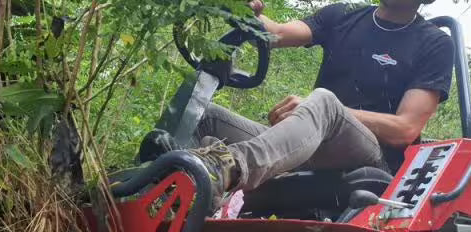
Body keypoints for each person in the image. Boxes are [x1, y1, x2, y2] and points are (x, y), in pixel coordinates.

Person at [191, 0, 455, 206]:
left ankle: (227, 169)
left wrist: (330, 111)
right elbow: (276, 33)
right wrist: (244, 10)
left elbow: (405, 129)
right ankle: (172, 191)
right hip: (309, 144)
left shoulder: (434, 43)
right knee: (207, 117)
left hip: (371, 157)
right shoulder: (344, 15)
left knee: (324, 101)